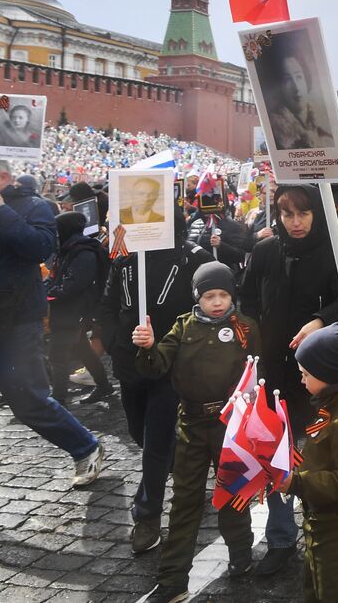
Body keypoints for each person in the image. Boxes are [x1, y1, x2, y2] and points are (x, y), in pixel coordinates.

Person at [0, 159, 105, 532]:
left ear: (4, 177)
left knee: (30, 405)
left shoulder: (34, 207)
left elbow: (39, 248)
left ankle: (85, 446)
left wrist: (0, 212)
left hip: (13, 330)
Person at [239, 184, 338, 576]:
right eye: (288, 214)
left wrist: (321, 322)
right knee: (276, 452)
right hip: (273, 371)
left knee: (322, 451)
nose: (296, 222)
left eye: (303, 213)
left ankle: (331, 524)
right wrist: (256, 339)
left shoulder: (333, 251)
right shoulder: (266, 251)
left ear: (316, 214)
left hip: (321, 373)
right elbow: (248, 299)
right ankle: (282, 537)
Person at [134, 262, 260, 602]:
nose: (217, 302)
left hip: (229, 425)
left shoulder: (244, 328)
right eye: (208, 296)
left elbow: (258, 373)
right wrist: (148, 347)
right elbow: (157, 365)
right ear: (197, 298)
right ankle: (173, 579)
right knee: (185, 501)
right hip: (190, 424)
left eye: (222, 295)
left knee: (233, 492)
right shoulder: (182, 327)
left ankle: (240, 551)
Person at [99, 212, 212, 554]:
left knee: (156, 440)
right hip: (129, 364)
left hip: (171, 367)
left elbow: (208, 309)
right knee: (139, 432)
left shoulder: (194, 258)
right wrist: (112, 340)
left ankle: (146, 517)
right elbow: (108, 304)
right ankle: (180, 466)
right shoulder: (125, 259)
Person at [279, 323, 338, 603]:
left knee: (334, 591)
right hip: (321, 515)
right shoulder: (331, 400)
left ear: (331, 373)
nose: (301, 381)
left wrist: (296, 482)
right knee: (314, 587)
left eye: (306, 374)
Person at [46, 211, 114, 404]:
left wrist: (51, 294)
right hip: (70, 309)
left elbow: (74, 285)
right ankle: (104, 385)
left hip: (74, 310)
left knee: (58, 353)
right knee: (82, 347)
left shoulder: (82, 251)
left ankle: (58, 399)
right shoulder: (70, 248)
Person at [262, 41, 335, 149]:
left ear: (306, 79)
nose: (296, 87)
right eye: (288, 79)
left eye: (299, 77)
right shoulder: (279, 131)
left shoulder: (324, 124)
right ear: (279, 87)